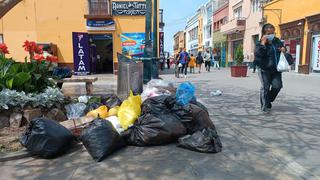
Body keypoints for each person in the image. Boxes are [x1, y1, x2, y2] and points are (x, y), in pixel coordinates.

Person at [254, 23, 286, 112]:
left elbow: (283, 48)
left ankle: (268, 99)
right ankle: (265, 106)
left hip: (276, 69)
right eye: (269, 33)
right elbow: (258, 54)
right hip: (264, 69)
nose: (271, 35)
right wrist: (263, 44)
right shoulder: (260, 42)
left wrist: (284, 49)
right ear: (264, 33)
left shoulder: (277, 41)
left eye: (273, 33)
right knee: (265, 87)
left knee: (277, 86)